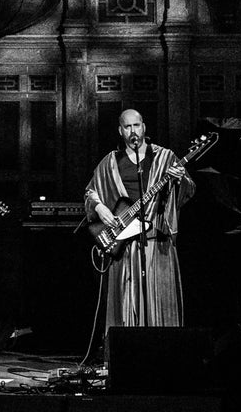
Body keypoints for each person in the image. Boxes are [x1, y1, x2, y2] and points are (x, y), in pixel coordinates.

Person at [85, 109, 195, 332]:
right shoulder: (111, 162)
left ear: (144, 127)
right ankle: (125, 355)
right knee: (126, 303)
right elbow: (90, 192)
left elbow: (188, 190)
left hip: (157, 241)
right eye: (128, 127)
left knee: (158, 300)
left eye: (137, 125)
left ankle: (162, 352)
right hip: (124, 243)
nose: (133, 131)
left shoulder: (165, 157)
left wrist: (178, 179)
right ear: (120, 130)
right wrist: (100, 207)